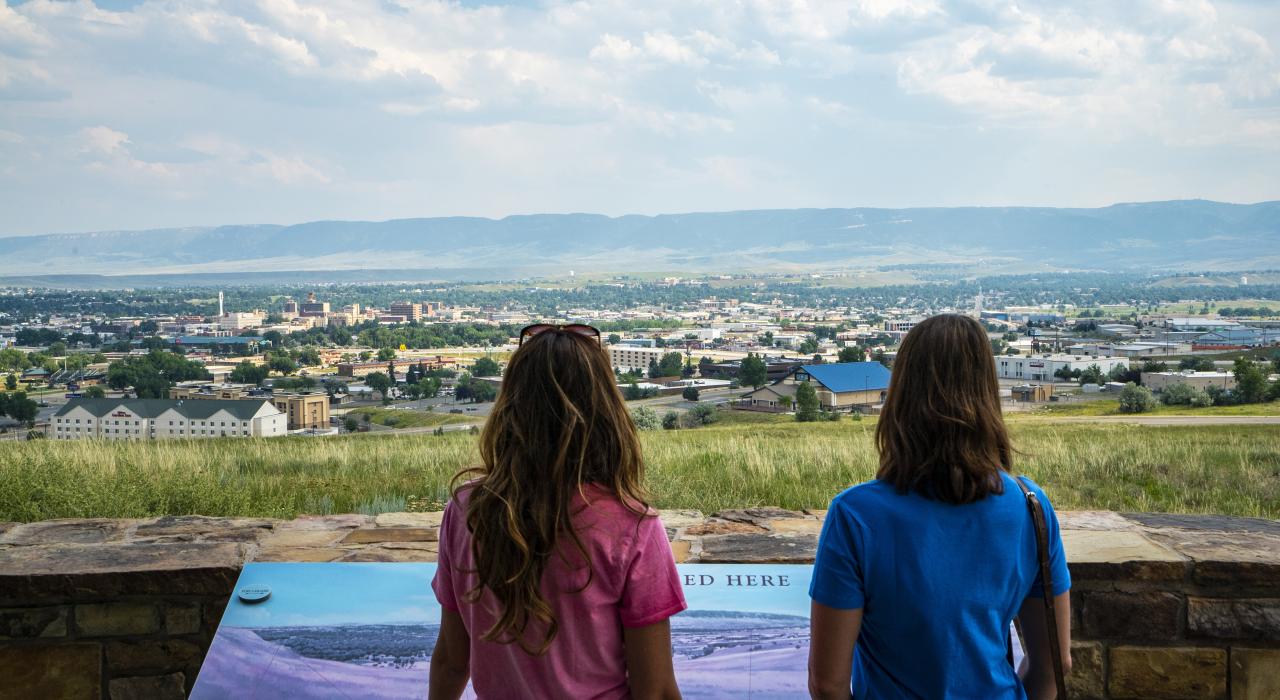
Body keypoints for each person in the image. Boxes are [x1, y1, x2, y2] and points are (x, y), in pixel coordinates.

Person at [808, 314, 1072, 699]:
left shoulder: (856, 515)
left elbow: (827, 684)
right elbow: (1054, 665)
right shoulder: (1031, 507)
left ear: (900, 395)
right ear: (985, 392)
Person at [429, 323, 686, 700]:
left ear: (511, 406)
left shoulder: (466, 512)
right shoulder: (631, 527)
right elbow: (657, 690)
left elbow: (453, 660)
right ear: (605, 410)